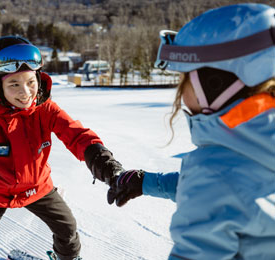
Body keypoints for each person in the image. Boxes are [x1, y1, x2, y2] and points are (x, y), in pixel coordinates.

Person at [107, 3, 275, 259]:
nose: (180, 92)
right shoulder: (260, 142)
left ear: (215, 83)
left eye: (184, 79)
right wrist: (147, 182)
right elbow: (239, 187)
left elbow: (221, 187)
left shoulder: (215, 172)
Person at [0, 35, 124, 260]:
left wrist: (102, 160)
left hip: (37, 187)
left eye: (31, 82)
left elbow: (77, 135)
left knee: (68, 231)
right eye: (14, 84)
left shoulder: (46, 109)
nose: (25, 92)